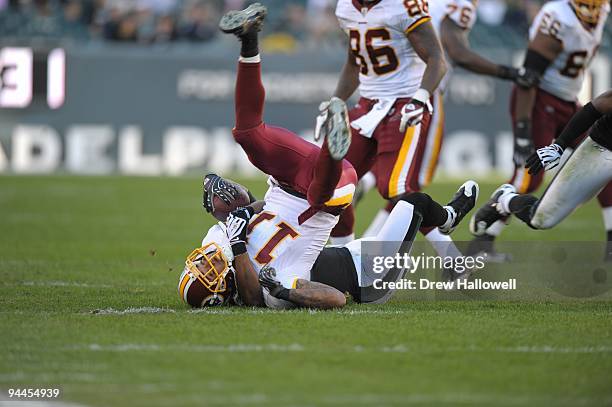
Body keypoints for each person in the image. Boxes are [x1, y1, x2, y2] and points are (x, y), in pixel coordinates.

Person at [177, 3, 480, 309]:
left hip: (288, 185)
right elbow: (334, 299)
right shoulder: (273, 290)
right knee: (387, 200)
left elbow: (260, 212)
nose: (206, 262)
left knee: (247, 135)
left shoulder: (217, 242)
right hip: (369, 274)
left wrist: (241, 212)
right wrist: (284, 291)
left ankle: (249, 41)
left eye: (200, 265)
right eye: (206, 272)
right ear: (222, 291)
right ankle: (341, 155)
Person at [351, 0, 532, 244]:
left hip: (389, 89)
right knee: (410, 184)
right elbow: (457, 53)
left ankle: (369, 224)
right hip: (422, 90)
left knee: (398, 182)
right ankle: (449, 252)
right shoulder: (457, 4)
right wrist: (510, 73)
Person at [468, 0, 611, 260]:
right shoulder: (558, 18)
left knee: (606, 162)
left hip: (569, 101)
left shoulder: (602, 13)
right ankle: (480, 245)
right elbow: (528, 77)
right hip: (540, 100)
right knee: (528, 176)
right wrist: (523, 132)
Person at [324, 0, 455, 259]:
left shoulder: (404, 5)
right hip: (368, 104)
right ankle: (342, 259)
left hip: (405, 102)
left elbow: (438, 60)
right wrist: (336, 102)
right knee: (333, 181)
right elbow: (355, 62)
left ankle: (453, 256)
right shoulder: (345, 8)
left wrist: (420, 98)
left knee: (394, 188)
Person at [470, 90, 612, 262]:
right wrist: (558, 146)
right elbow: (597, 106)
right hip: (603, 151)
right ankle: (505, 201)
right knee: (541, 219)